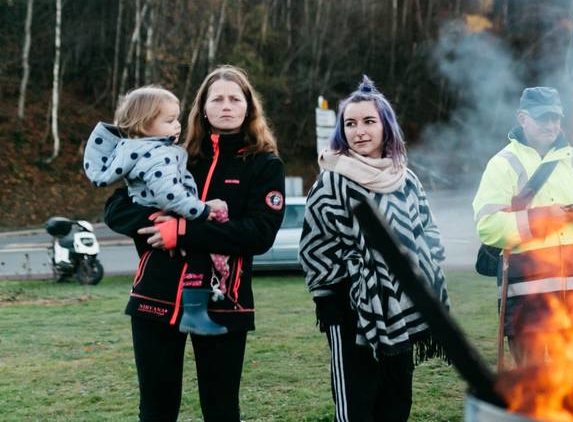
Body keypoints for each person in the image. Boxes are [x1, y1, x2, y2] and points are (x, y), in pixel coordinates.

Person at [103, 65, 285, 421]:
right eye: (217, 99)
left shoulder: (264, 164)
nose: (226, 105)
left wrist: (183, 232)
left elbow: (258, 234)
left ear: (249, 107)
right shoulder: (171, 153)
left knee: (221, 410)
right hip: (156, 295)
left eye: (235, 99)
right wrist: (158, 224)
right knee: (156, 409)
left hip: (223, 302)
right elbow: (116, 208)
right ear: (202, 107)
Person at [300, 76, 450, 421]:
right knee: (357, 405)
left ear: (386, 126)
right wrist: (330, 298)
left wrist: (423, 266)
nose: (359, 131)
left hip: (404, 305)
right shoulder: (332, 180)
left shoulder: (405, 178)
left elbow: (427, 229)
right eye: (350, 124)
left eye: (369, 121)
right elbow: (314, 246)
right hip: (351, 306)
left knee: (397, 402)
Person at [472, 86, 573, 367]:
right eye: (542, 118)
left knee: (570, 380)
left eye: (555, 118)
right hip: (528, 299)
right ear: (522, 118)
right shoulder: (502, 164)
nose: (551, 125)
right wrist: (541, 219)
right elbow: (488, 226)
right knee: (532, 383)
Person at [84, 85, 230, 336]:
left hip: (158, 219)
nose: (177, 126)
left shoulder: (136, 150)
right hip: (167, 215)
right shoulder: (157, 155)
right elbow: (169, 194)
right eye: (169, 121)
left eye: (177, 119)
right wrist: (202, 210)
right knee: (198, 255)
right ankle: (195, 312)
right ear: (143, 125)